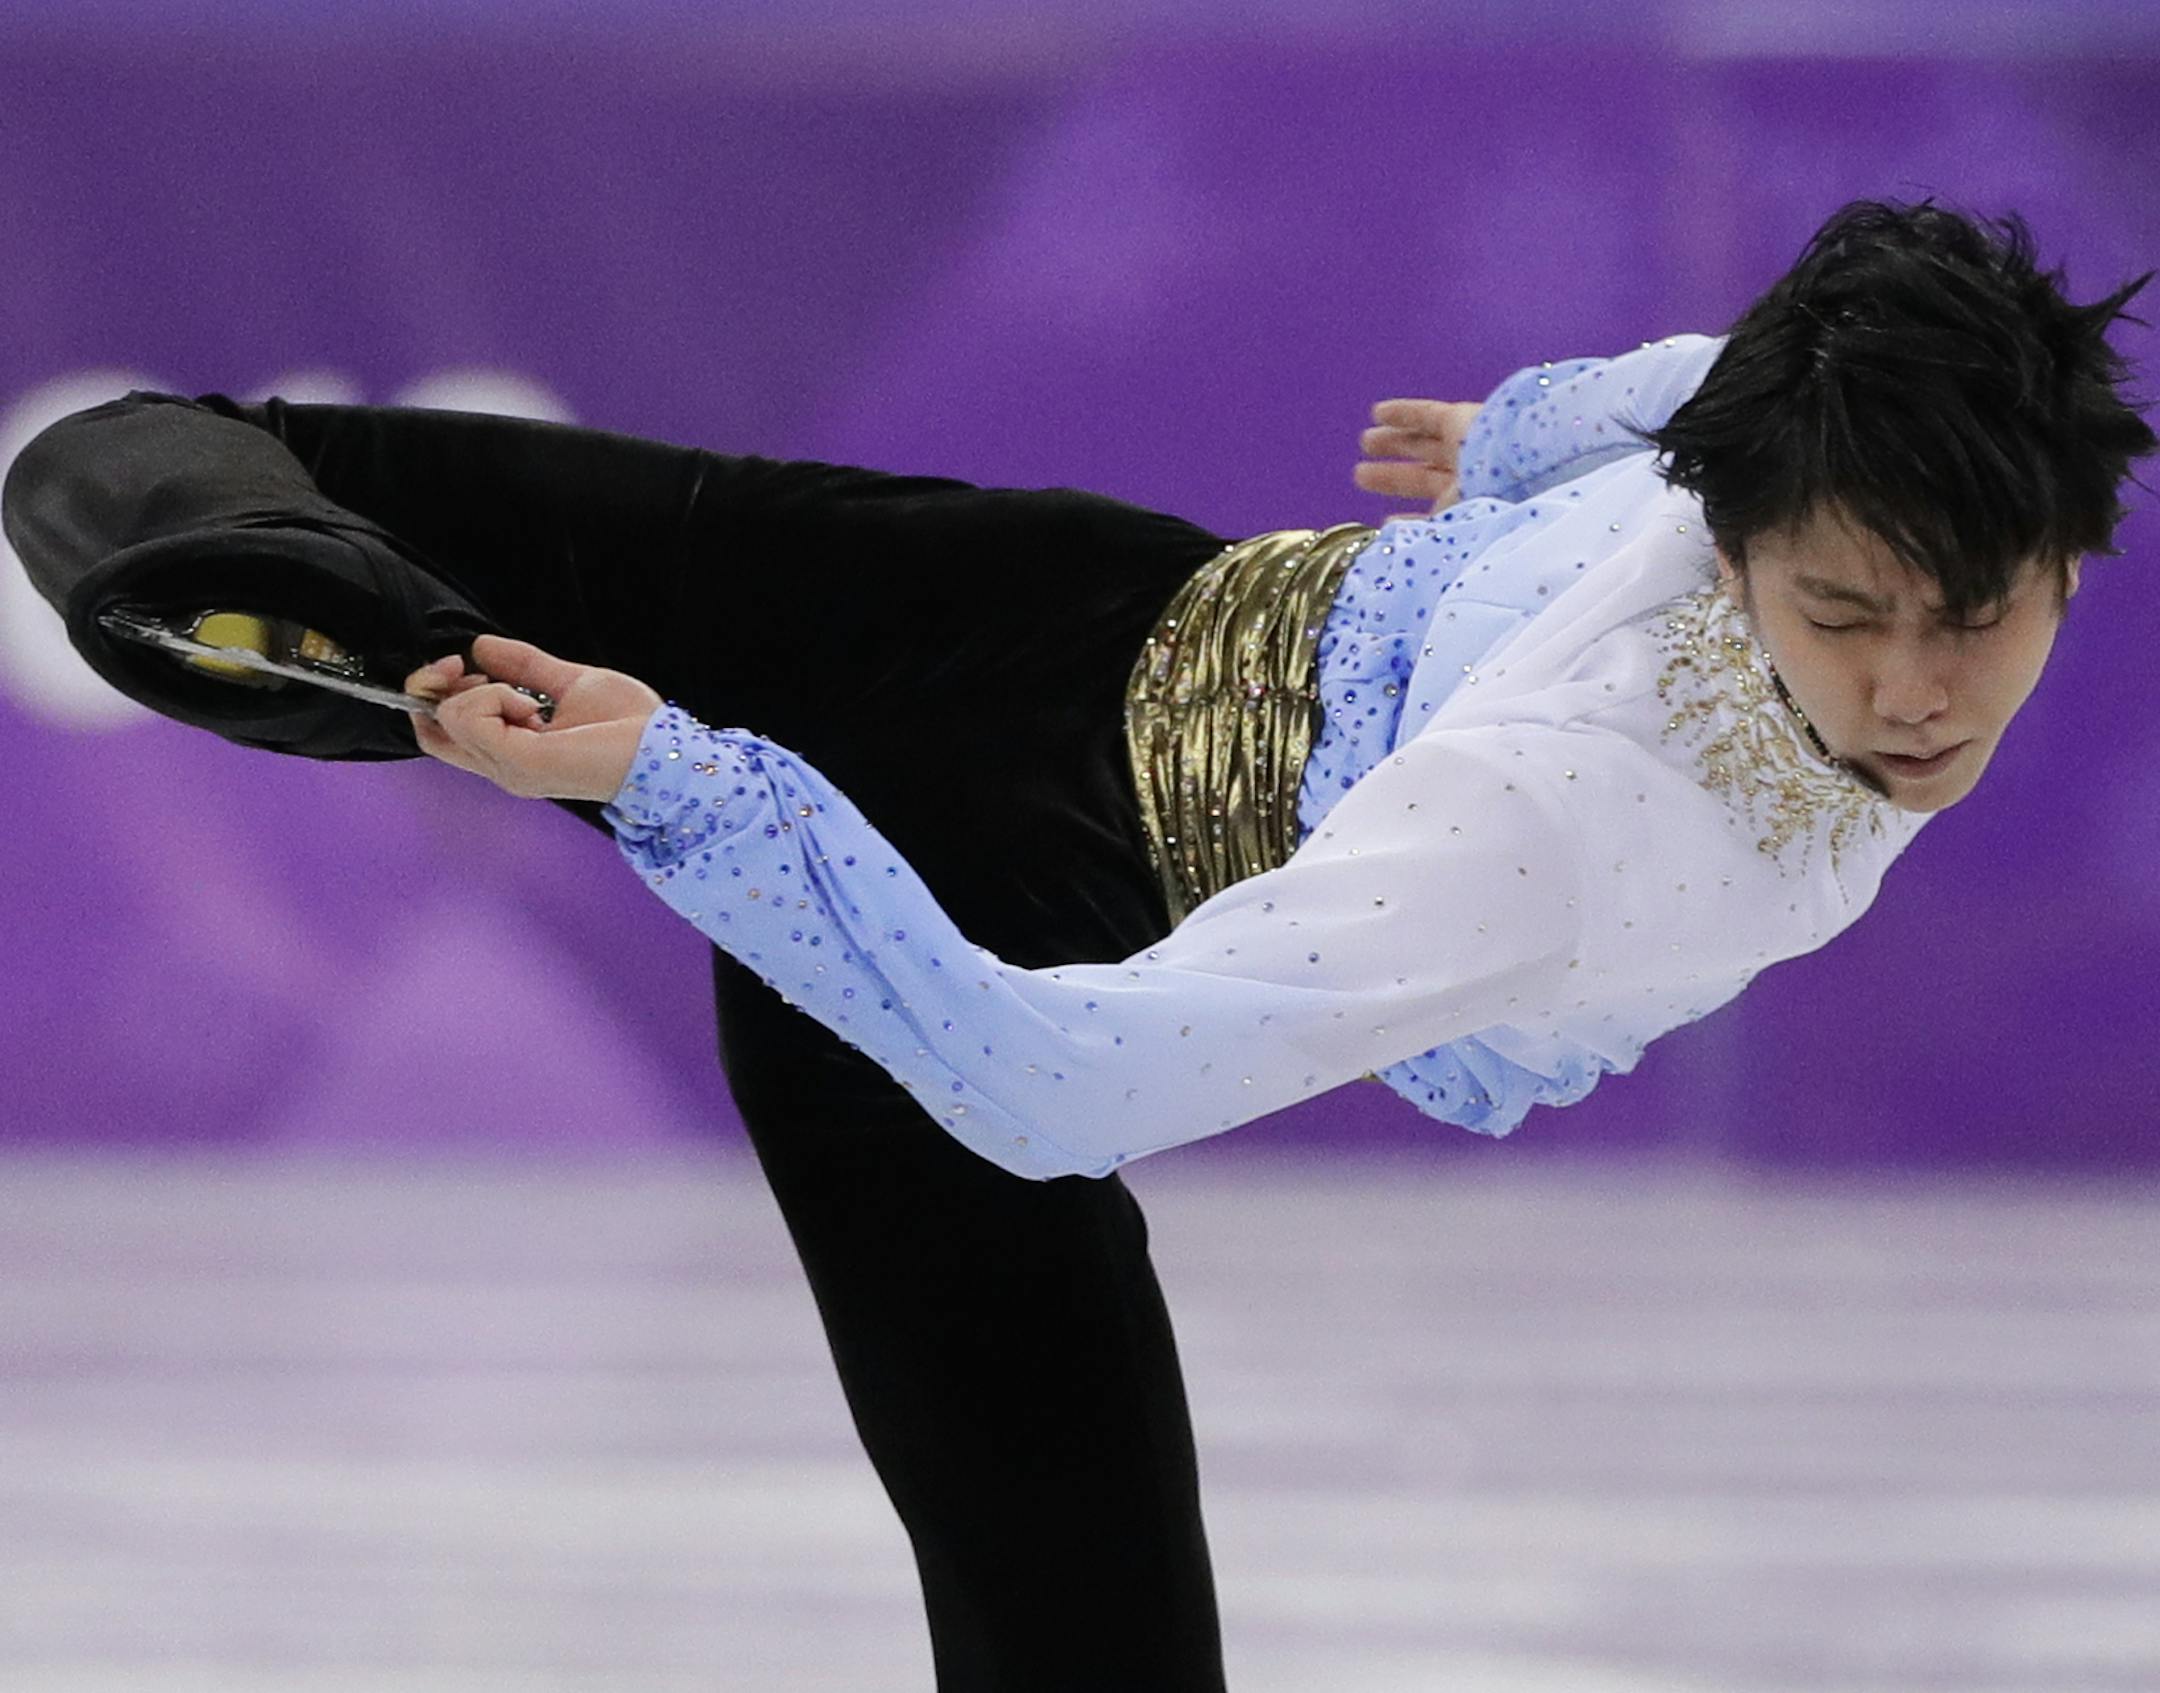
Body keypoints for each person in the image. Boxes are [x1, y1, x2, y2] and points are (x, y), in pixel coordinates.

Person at [5, 198, 2151, 1690]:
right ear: (1750, 520)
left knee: (1082, 1629)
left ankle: (421, 671)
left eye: (1975, 617)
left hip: (1005, 905)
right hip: (1039, 670)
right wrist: (1513, 432)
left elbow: (1047, 1082)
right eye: (1842, 612)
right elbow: (1696, 382)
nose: (1910, 693)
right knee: (169, 456)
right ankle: (346, 640)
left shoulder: (1620, 773)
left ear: (2071, 553)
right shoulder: (1602, 747)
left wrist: (672, 783)